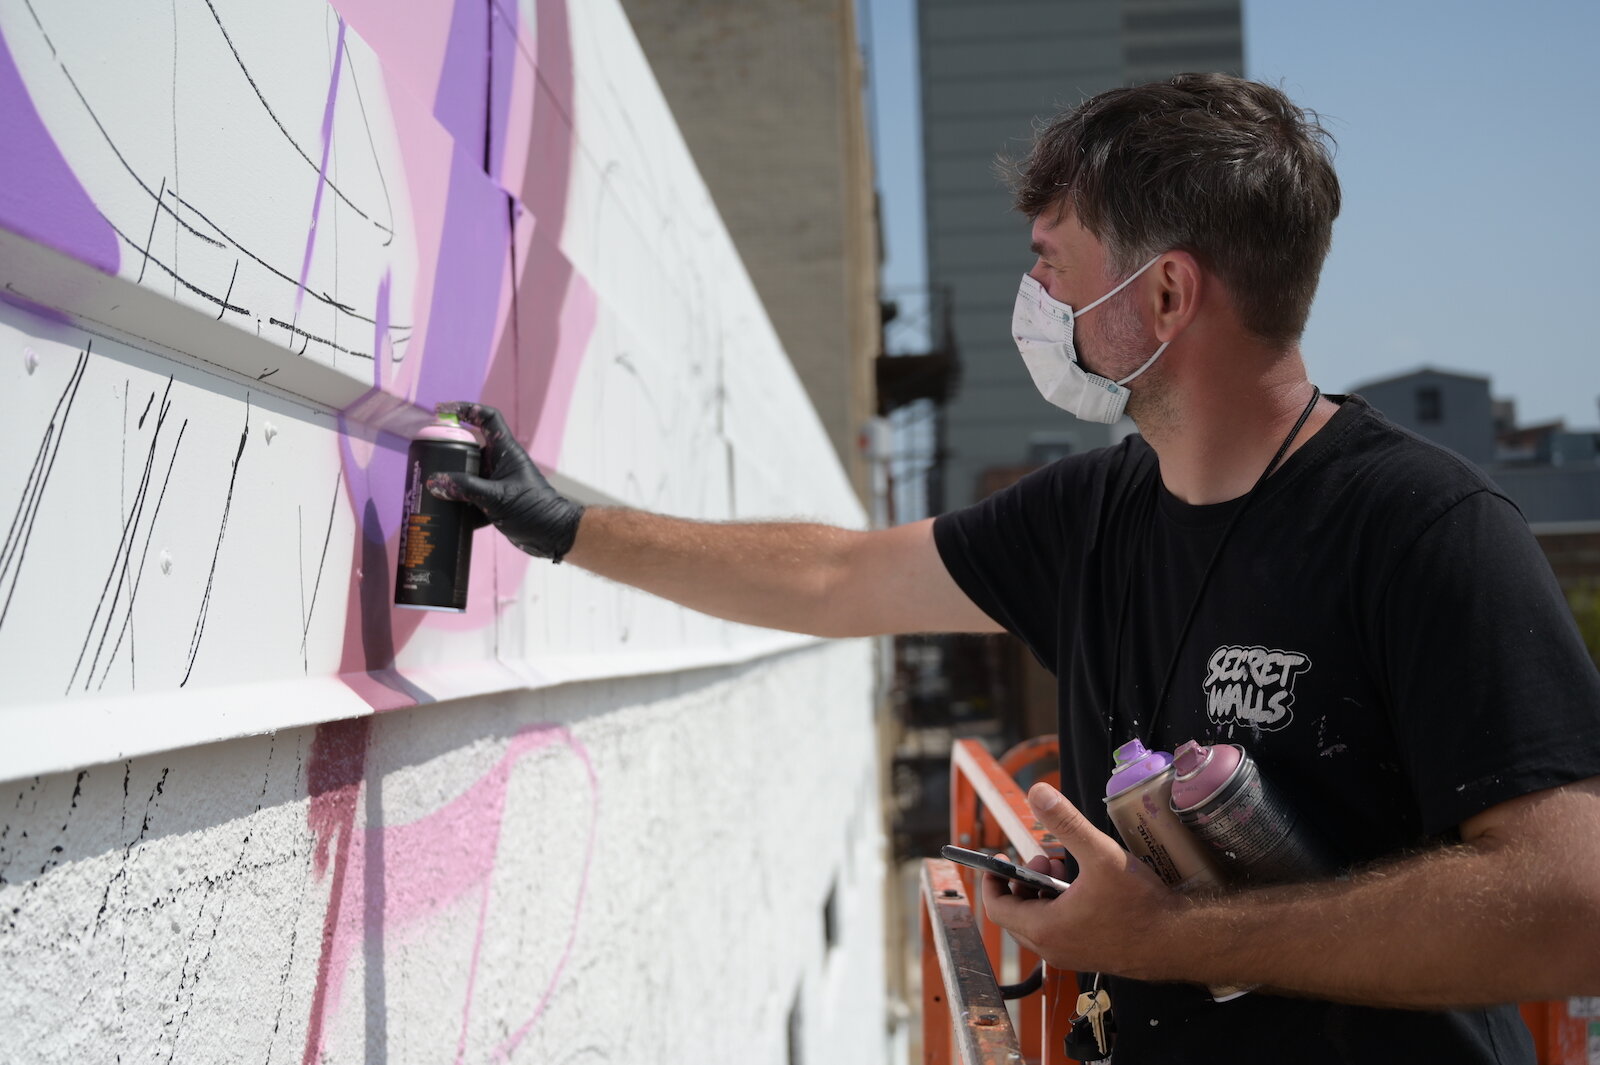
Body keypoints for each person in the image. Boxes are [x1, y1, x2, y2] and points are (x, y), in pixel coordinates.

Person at [431, 73, 1600, 1064]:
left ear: (1165, 293)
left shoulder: (1425, 528)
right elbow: (834, 579)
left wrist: (1160, 938)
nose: (1035, 299)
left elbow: (1570, 903)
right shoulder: (1093, 511)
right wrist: (566, 525)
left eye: (1053, 263)